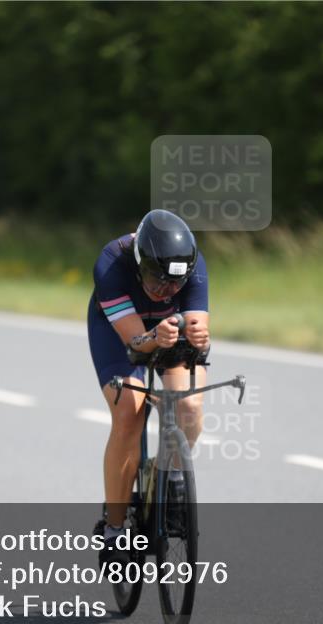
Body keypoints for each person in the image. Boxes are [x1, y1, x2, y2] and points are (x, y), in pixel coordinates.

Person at [87, 210, 210, 564]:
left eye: (175, 285)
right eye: (157, 281)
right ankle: (113, 530)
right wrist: (154, 337)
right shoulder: (112, 263)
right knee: (129, 411)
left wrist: (199, 337)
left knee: (188, 408)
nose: (165, 291)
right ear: (140, 263)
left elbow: (197, 331)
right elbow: (134, 343)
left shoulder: (193, 264)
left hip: (169, 332)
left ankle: (167, 477)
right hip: (123, 334)